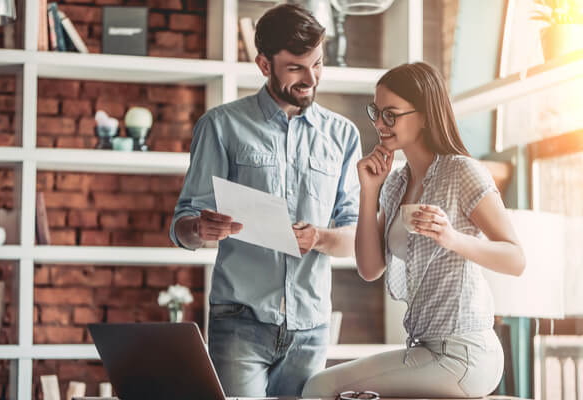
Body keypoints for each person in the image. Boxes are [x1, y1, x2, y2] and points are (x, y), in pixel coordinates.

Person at [169, 4, 362, 398]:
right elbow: (181, 227)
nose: (311, 79)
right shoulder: (221, 126)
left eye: (318, 64)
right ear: (263, 64)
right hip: (240, 321)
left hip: (311, 327)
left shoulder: (343, 136)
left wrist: (318, 238)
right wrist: (198, 228)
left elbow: (356, 236)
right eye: (295, 68)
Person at [302, 62, 526, 399]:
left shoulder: (462, 172)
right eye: (376, 112)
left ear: (424, 115)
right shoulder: (396, 183)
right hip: (426, 348)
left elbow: (516, 259)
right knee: (326, 385)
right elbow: (369, 268)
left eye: (390, 114)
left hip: (467, 353)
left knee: (321, 386)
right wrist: (369, 191)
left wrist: (451, 237)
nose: (379, 123)